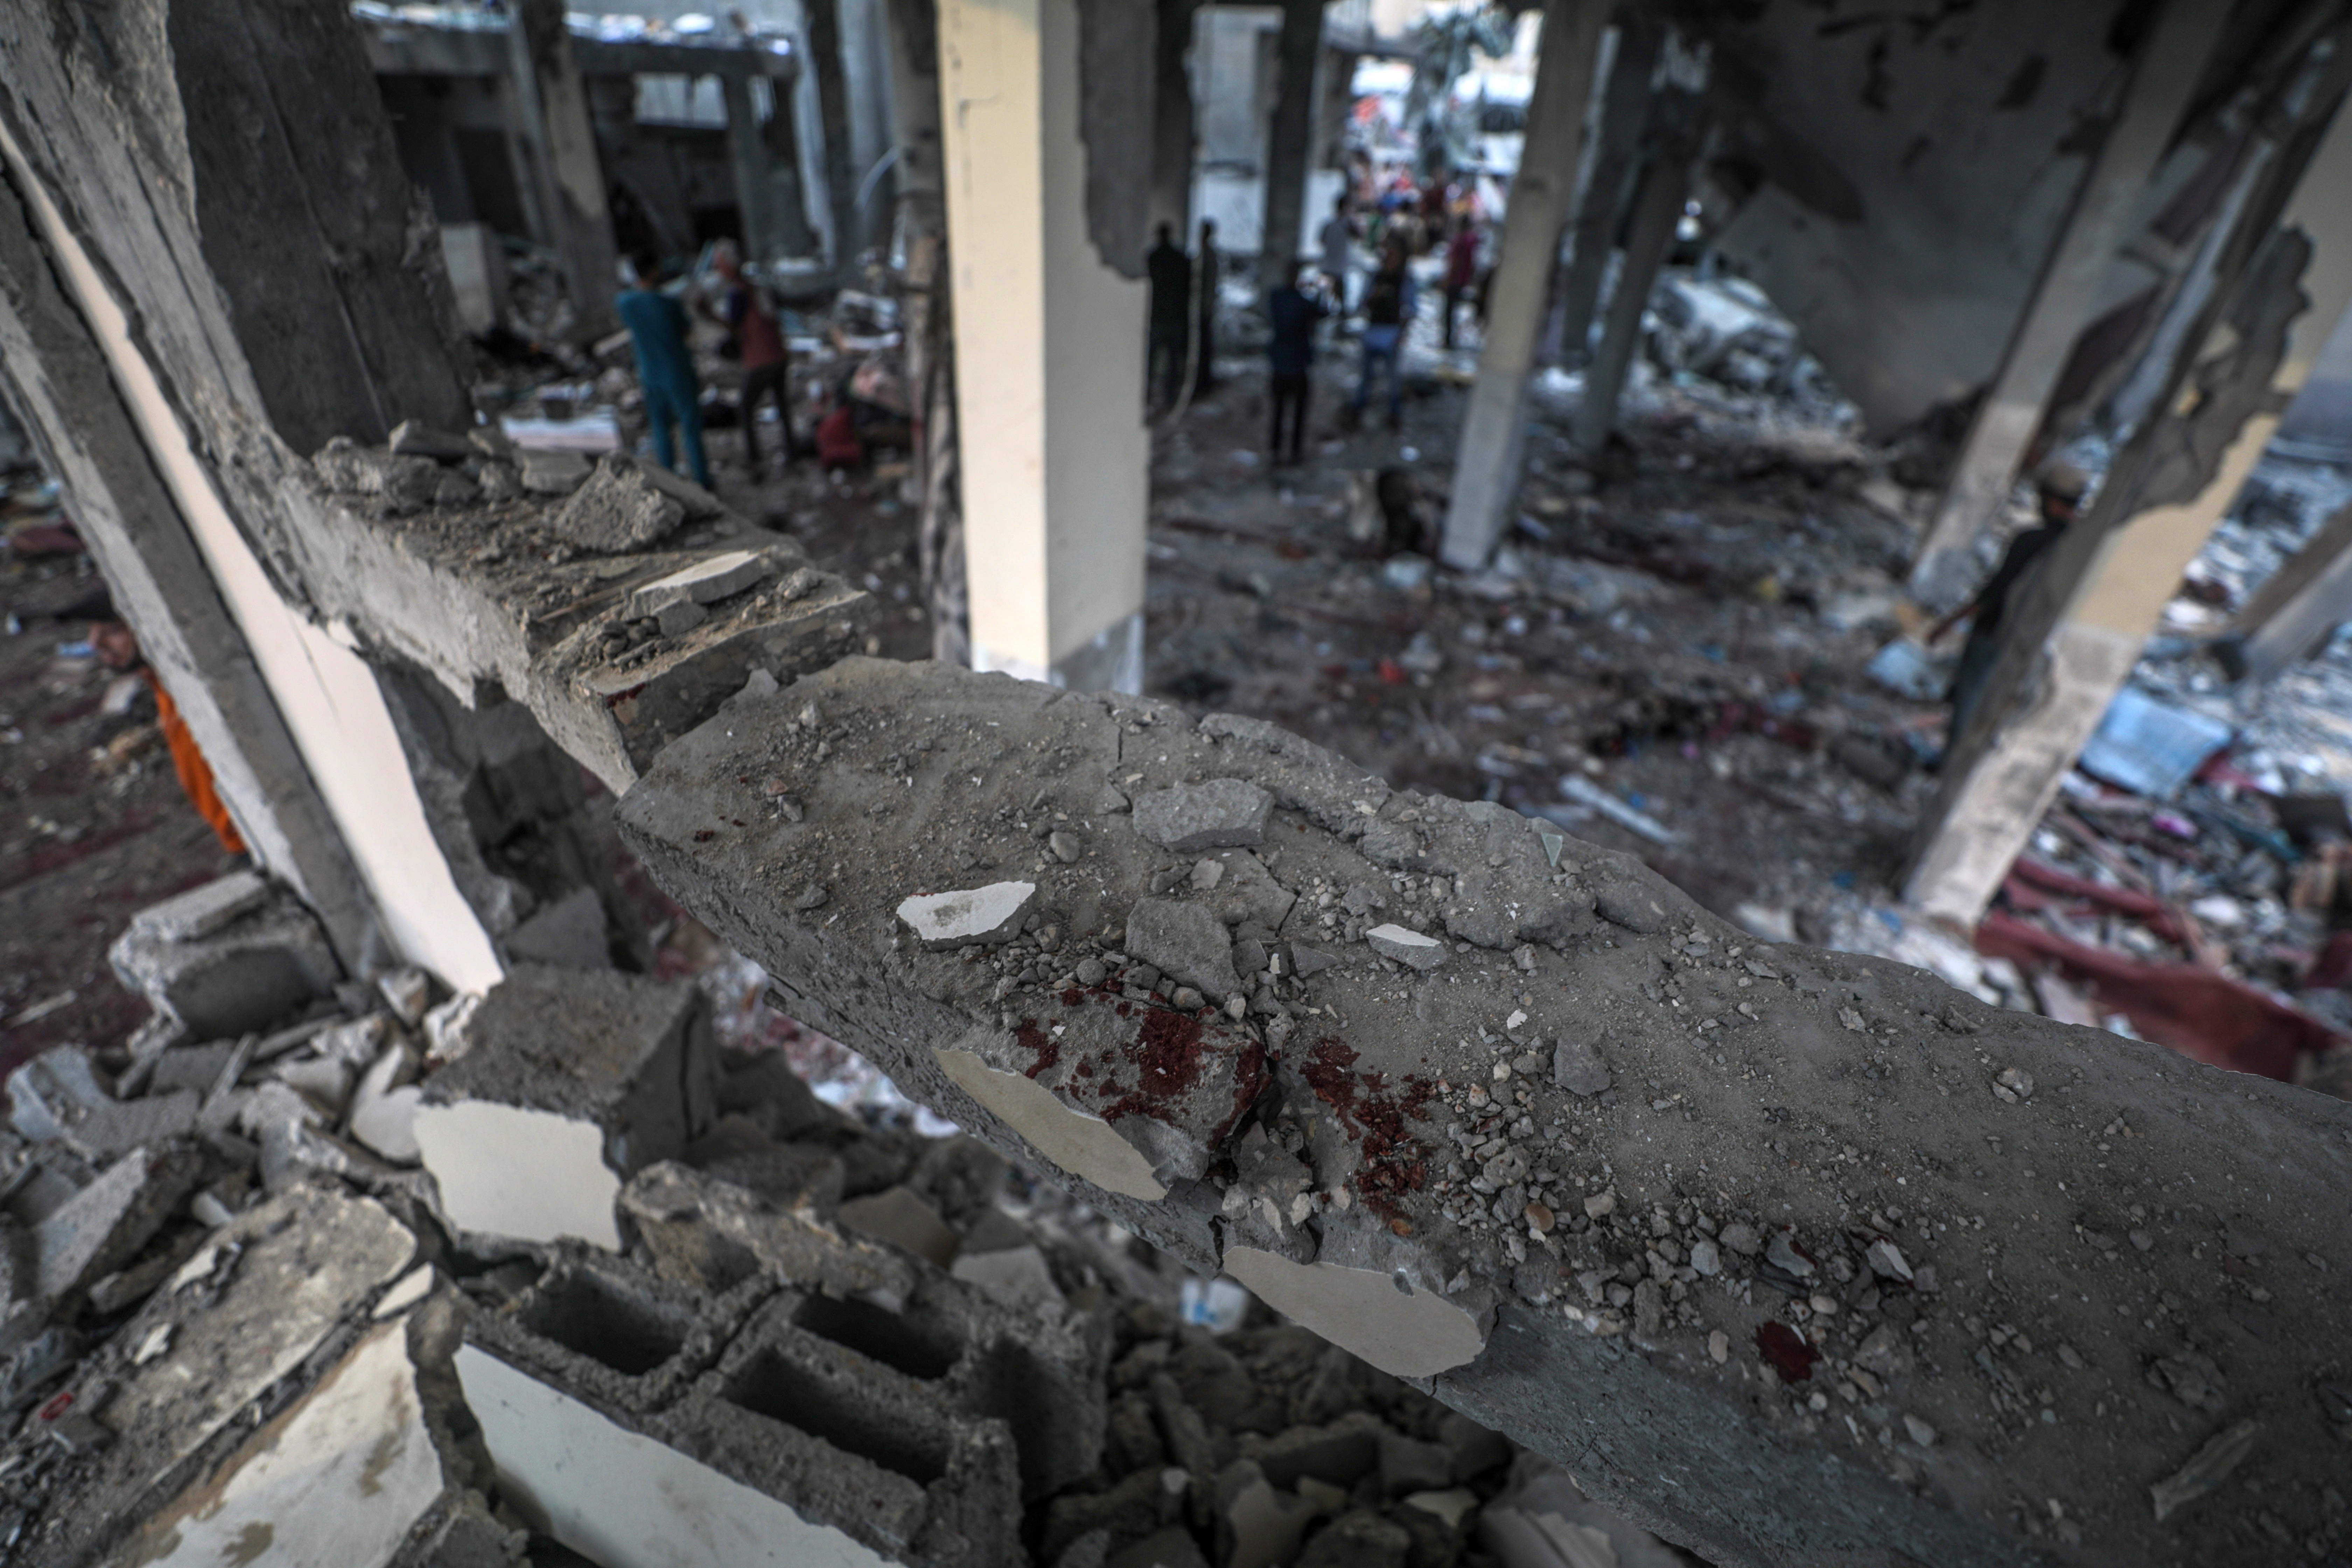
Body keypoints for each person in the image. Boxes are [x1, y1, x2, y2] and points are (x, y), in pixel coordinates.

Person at [1944, 463, 2088, 745]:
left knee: (1970, 700)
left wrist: (1950, 621)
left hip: (1995, 633)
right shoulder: (2079, 549)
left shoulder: (2031, 541)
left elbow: (1995, 593)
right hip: (2033, 643)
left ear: (2051, 499)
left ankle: (1955, 758)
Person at [701, 242, 798, 473]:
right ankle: (792, 452)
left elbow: (733, 326)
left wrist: (709, 314)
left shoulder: (738, 292)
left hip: (760, 359)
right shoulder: (758, 285)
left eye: (719, 265)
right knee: (782, 405)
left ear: (727, 266)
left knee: (746, 408)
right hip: (778, 353)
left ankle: (755, 460)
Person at [617, 251, 711, 489]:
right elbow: (686, 330)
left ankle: (668, 483)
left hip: (649, 372)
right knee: (690, 427)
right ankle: (702, 481)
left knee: (660, 429)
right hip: (677, 371)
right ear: (653, 271)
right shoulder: (668, 303)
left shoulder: (626, 303)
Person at [1265, 260, 1330, 465]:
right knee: (1298, 412)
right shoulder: (1303, 303)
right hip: (1298, 363)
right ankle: (1295, 452)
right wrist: (1320, 291)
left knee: (1279, 410)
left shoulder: (1276, 298)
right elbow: (1323, 312)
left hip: (1280, 361)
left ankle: (1276, 451)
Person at [1354, 240, 1416, 430]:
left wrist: (1402, 331)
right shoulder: (1376, 278)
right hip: (1374, 331)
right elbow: (1363, 303)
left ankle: (1394, 413)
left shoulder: (1404, 280)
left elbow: (1411, 308)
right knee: (1367, 375)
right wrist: (1375, 296)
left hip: (1391, 333)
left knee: (1393, 377)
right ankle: (1359, 409)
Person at [1146, 222, 1192, 411]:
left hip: (1158, 317)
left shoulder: (1154, 258)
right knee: (1171, 363)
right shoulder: (1179, 259)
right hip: (1172, 318)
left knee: (1153, 361)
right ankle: (1169, 399)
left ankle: (1148, 396)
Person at [1441, 220, 1479, 350]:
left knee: (1449, 311)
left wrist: (1448, 279)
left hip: (1455, 280)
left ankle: (1448, 340)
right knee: (1456, 311)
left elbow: (1456, 262)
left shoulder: (1459, 241)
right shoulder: (1471, 240)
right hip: (1463, 280)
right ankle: (1455, 338)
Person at [1194, 219, 1220, 396]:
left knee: (1202, 348)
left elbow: (1208, 285)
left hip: (1203, 309)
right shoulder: (1205, 254)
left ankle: (1203, 384)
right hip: (1203, 308)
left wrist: (1205, 309)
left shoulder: (1207, 255)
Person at [1317, 196, 1355, 310]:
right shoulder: (1345, 226)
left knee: (1327, 298)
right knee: (1326, 298)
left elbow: (1322, 241)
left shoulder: (1330, 225)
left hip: (1332, 266)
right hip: (1335, 267)